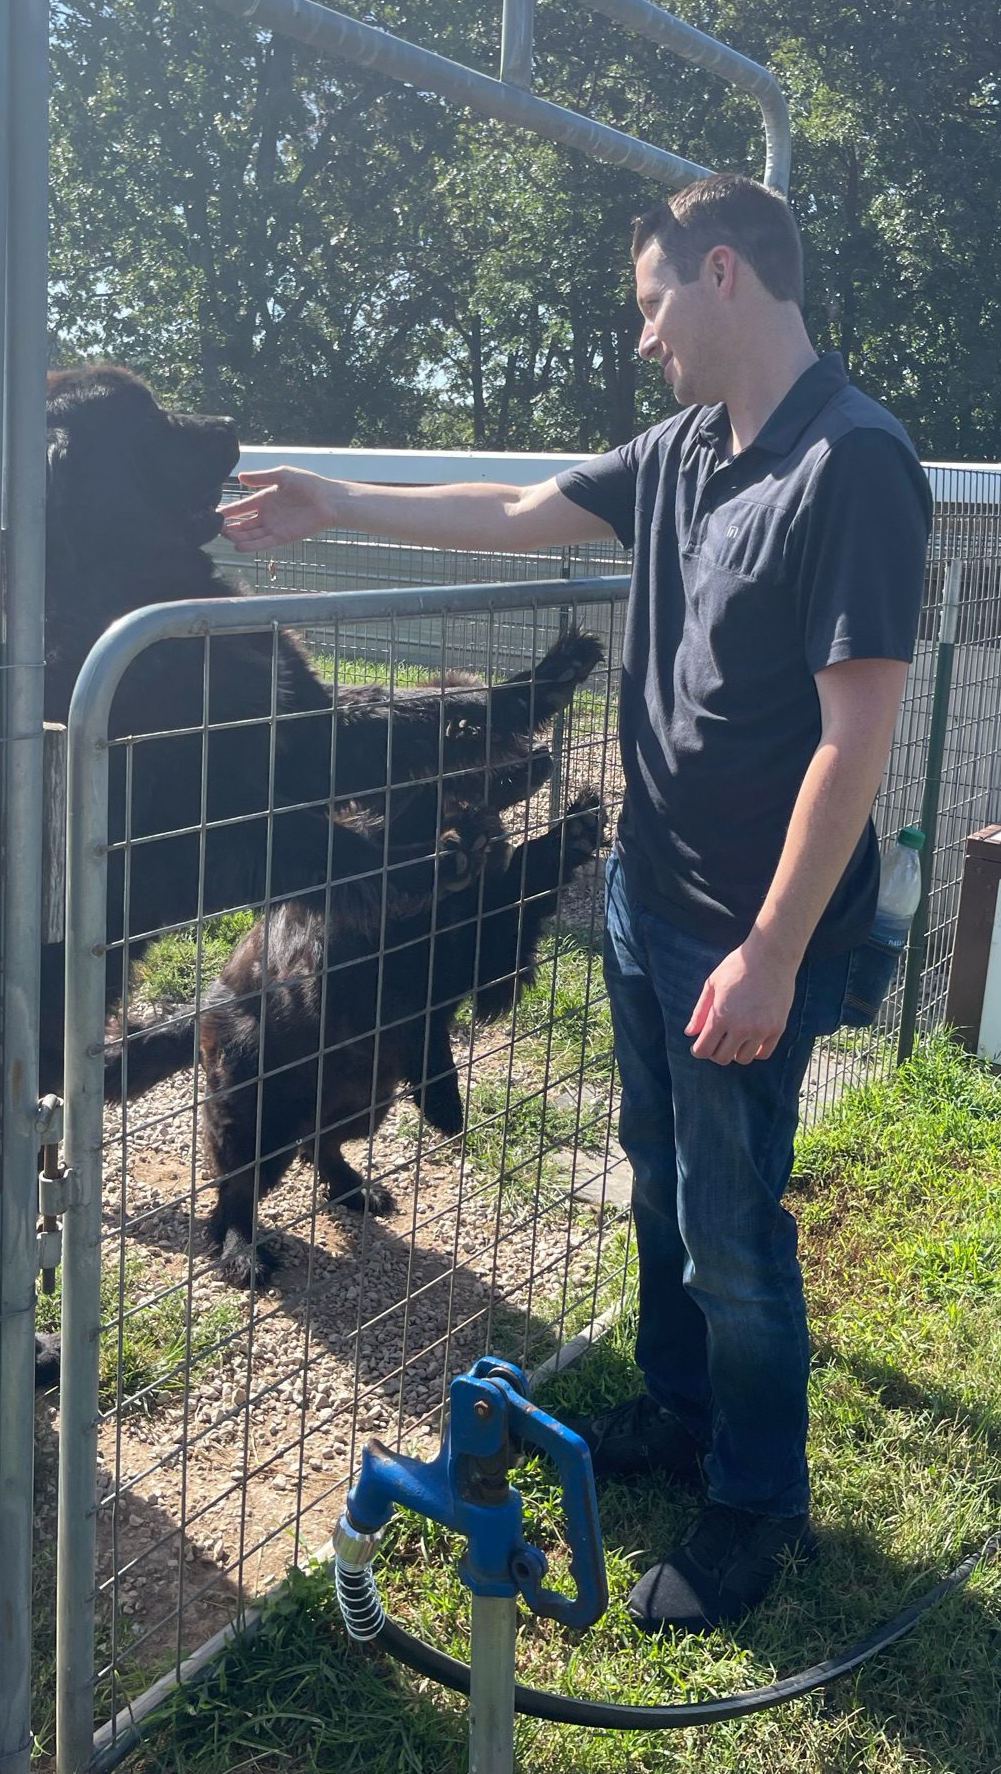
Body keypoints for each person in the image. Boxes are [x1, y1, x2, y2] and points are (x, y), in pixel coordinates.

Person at [220, 173, 932, 1634]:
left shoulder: (854, 463)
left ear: (723, 274)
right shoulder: (681, 452)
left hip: (747, 936)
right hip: (642, 908)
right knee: (660, 1185)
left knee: (735, 1227)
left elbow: (857, 736)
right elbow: (512, 505)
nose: (642, 338)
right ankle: (678, 1412)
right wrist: (336, 497)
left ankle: (754, 1501)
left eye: (651, 303)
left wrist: (776, 950)